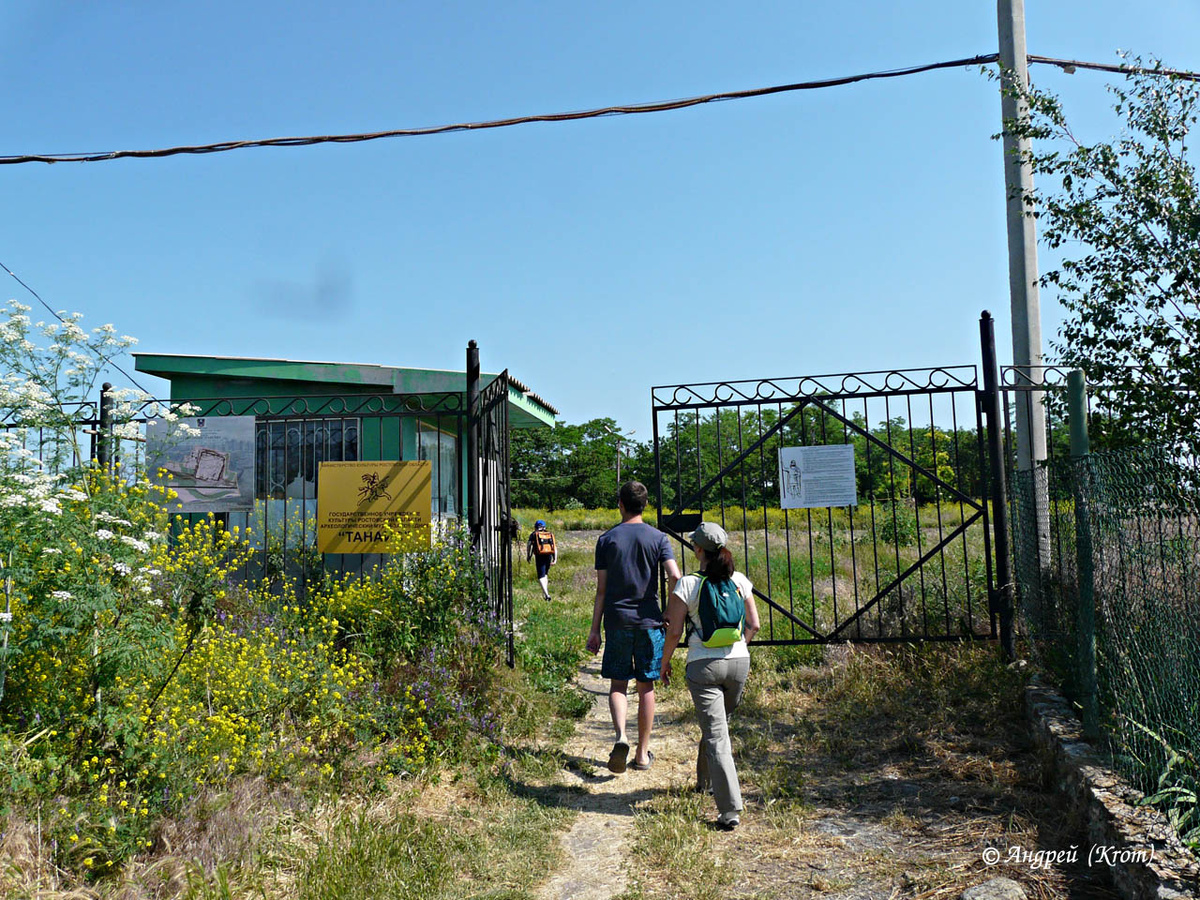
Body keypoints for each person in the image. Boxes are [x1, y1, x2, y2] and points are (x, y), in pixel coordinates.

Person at [661, 521, 760, 831]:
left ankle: (730, 810)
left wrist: (664, 663)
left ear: (698, 549)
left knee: (717, 735)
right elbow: (754, 624)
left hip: (703, 668)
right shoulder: (740, 580)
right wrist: (738, 649)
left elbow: (675, 630)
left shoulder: (687, 584)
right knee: (716, 726)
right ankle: (704, 783)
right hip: (739, 665)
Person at [588, 481, 681, 773]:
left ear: (621, 504)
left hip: (616, 620)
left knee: (617, 683)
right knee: (646, 687)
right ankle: (642, 754)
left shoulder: (607, 539)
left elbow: (601, 590)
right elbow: (676, 576)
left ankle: (620, 736)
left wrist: (594, 630)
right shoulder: (658, 538)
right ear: (645, 504)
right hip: (649, 621)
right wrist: (668, 610)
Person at [526, 519, 557, 601]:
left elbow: (529, 545)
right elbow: (554, 547)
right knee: (545, 574)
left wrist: (528, 555)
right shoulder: (549, 534)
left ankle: (546, 594)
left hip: (540, 556)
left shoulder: (534, 534)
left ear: (536, 527)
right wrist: (555, 559)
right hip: (549, 555)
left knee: (541, 576)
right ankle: (545, 593)